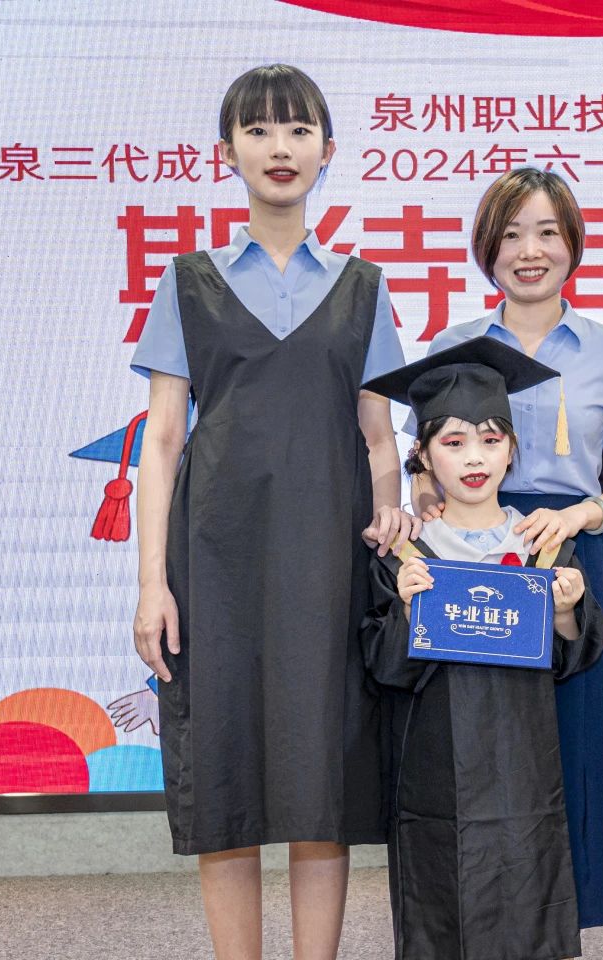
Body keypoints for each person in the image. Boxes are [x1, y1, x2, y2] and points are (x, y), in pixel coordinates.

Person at [128, 64, 417, 960]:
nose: (279, 148)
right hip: (214, 563)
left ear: (328, 151)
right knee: (227, 780)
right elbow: (162, 442)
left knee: (319, 785)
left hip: (329, 561)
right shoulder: (187, 282)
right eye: (258, 130)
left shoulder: (363, 287)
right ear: (228, 153)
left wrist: (391, 527)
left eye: (297, 130)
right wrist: (151, 586)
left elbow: (379, 437)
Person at [406, 167, 603, 929]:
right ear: (487, 248)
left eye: (546, 232)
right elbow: (421, 466)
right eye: (510, 235)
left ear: (572, 244)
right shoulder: (453, 345)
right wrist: (427, 502)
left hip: (567, 558)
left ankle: (568, 921)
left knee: (577, 748)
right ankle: (481, 917)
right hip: (472, 555)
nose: (529, 251)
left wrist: (578, 518)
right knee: (481, 752)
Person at [361, 336, 603, 960]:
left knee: (529, 889)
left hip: (525, 762)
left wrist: (564, 611)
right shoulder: (406, 555)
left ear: (512, 449)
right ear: (422, 456)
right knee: (441, 905)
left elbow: (573, 658)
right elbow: (383, 667)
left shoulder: (543, 547)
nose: (475, 457)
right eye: (453, 442)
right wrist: (408, 612)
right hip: (433, 770)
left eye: (491, 440)